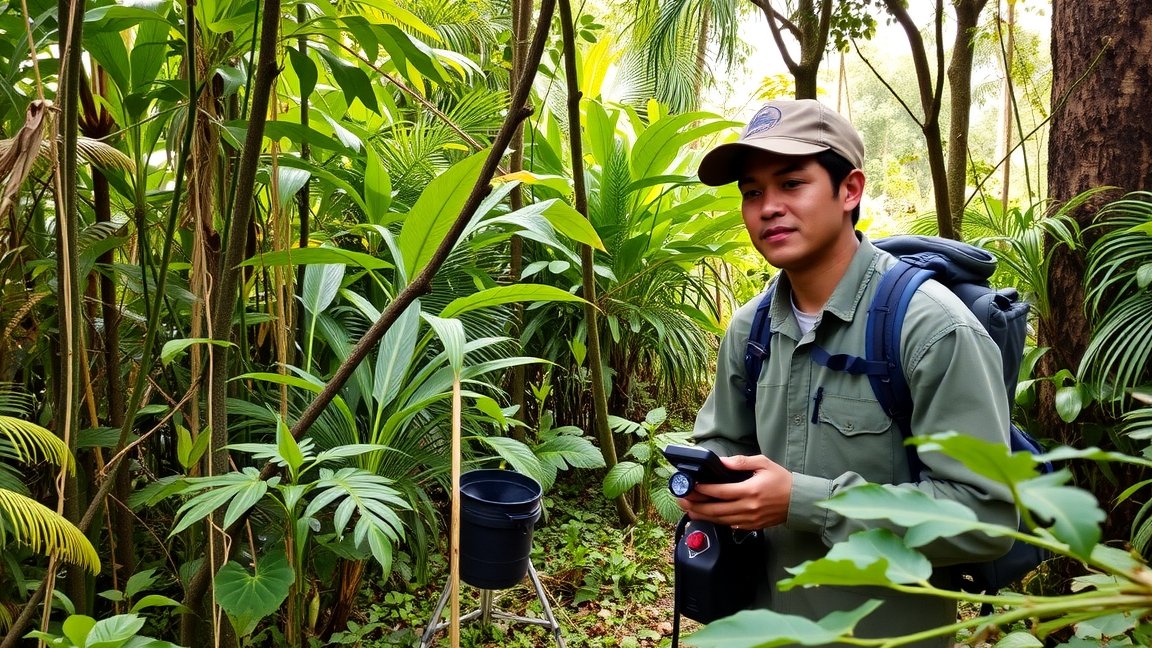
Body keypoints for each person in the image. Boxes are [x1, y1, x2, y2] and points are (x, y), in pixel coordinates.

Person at [676, 98, 1018, 646]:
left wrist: (806, 502)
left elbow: (987, 518)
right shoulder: (751, 328)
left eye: (791, 183)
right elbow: (723, 440)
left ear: (850, 190)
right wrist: (709, 485)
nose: (767, 207)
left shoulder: (931, 329)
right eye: (752, 191)